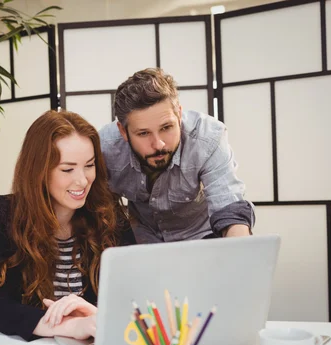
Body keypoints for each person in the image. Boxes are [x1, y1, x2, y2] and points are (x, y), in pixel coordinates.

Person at [0, 110, 136, 341]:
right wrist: (65, 326)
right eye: (67, 169)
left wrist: (96, 317)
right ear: (39, 171)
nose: (82, 180)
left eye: (89, 165)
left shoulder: (109, 214)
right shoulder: (4, 215)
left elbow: (133, 298)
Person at [99, 68, 254, 244]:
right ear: (123, 131)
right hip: (141, 240)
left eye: (166, 128)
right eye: (143, 133)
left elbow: (228, 204)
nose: (158, 144)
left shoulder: (207, 138)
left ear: (179, 115)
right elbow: (98, 207)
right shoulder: (106, 147)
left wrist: (239, 247)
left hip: (201, 236)